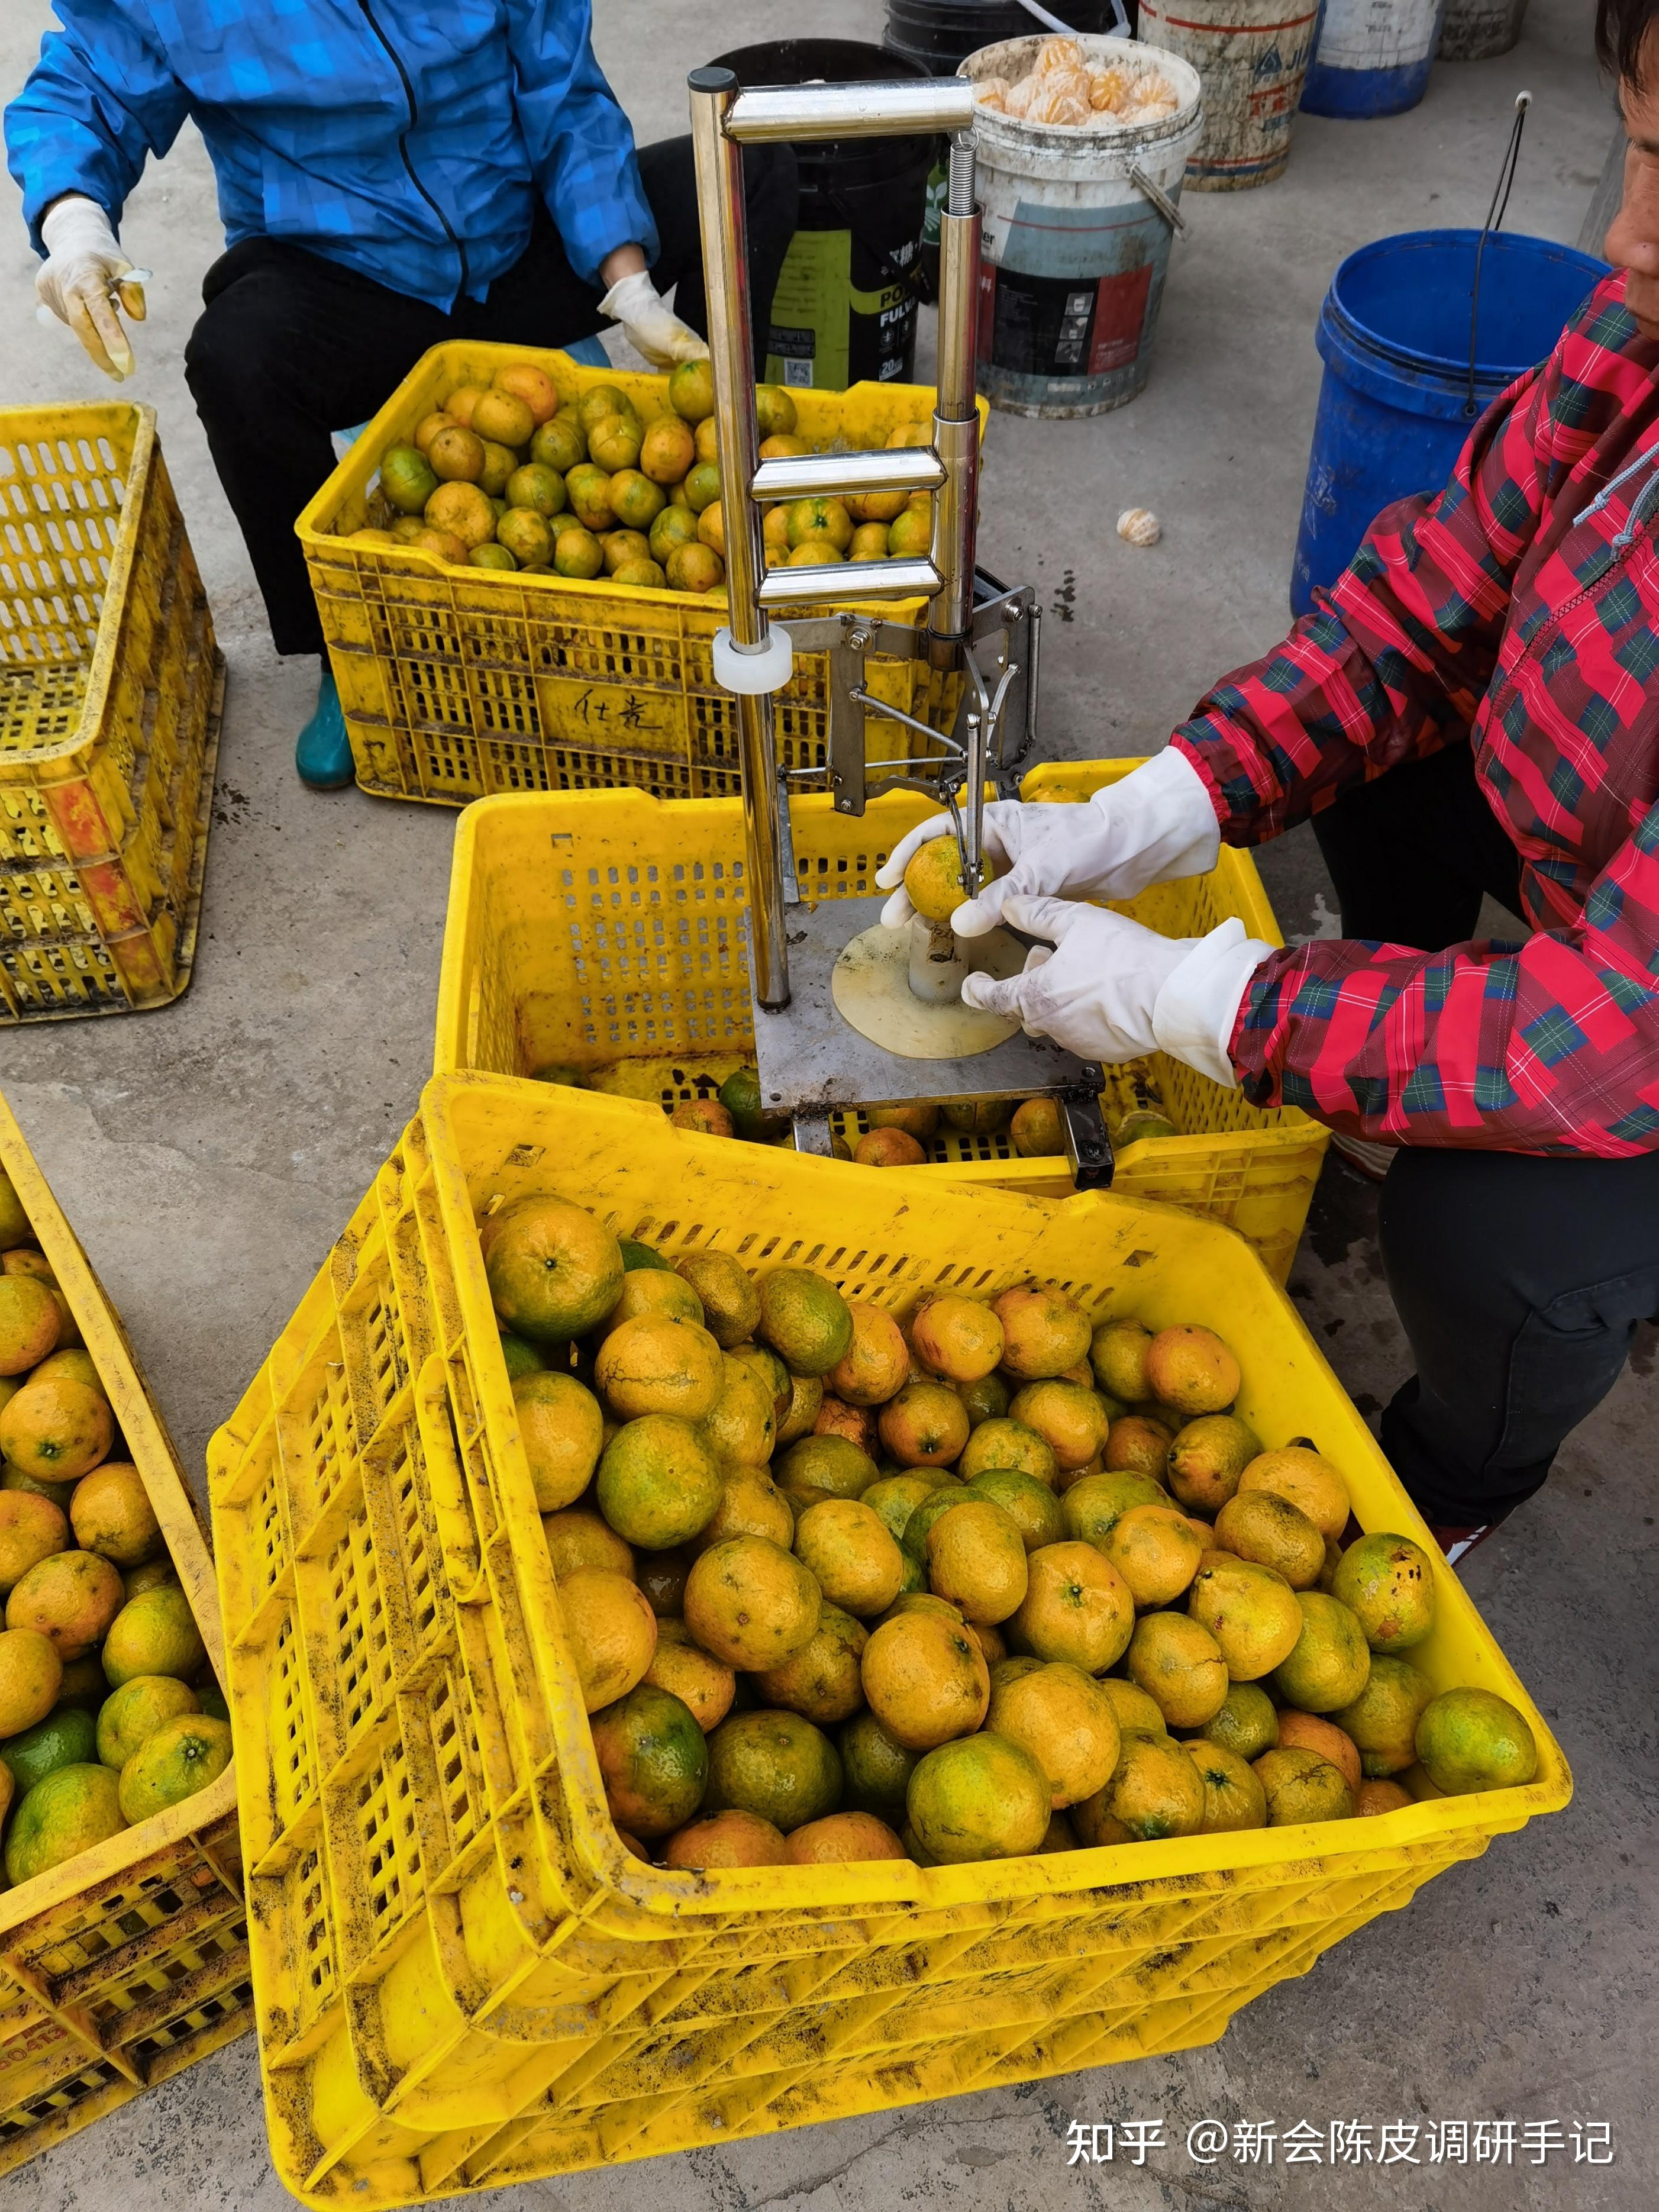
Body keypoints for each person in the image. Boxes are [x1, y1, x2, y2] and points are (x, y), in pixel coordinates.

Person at [878, 0, 1659, 1571]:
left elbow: (1608, 1039)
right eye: (1641, 154)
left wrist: (1217, 1008)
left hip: (1630, 1012)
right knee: (1351, 751)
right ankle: (1403, 1038)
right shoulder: (1634, 339)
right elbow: (1414, 613)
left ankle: (1460, 1474)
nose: (1631, 239)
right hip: (1600, 864)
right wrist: (1158, 803)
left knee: (1489, 1234)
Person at [6, 4, 796, 788]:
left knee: (748, 166)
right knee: (234, 361)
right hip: (347, 278)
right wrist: (74, 223)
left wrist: (625, 280)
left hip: (516, 241)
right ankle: (343, 654)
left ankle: (722, 471)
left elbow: (562, 94)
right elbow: (91, 83)